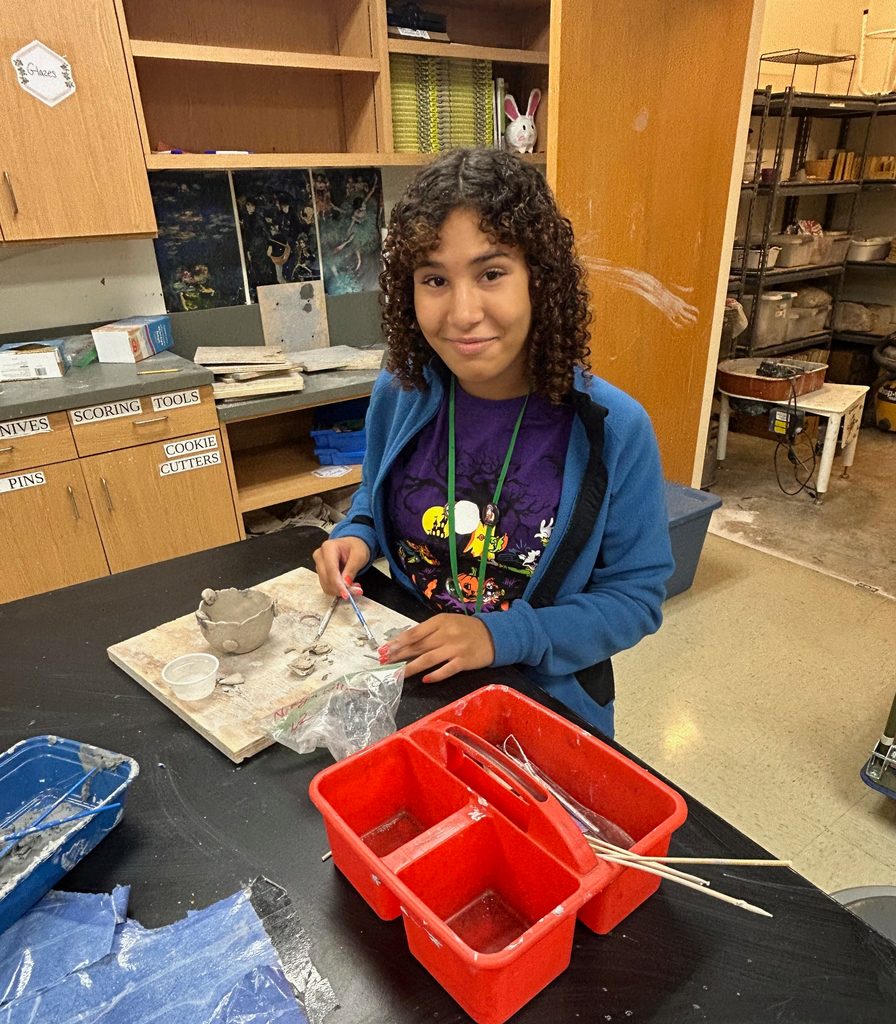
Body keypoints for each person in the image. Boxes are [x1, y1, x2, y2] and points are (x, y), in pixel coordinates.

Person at [313, 148, 673, 737]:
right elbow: (373, 503)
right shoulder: (399, 391)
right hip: (409, 677)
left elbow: (635, 600)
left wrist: (499, 634)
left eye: (491, 273)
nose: (462, 313)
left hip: (542, 700)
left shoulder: (614, 428)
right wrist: (355, 535)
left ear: (540, 278)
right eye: (434, 280)